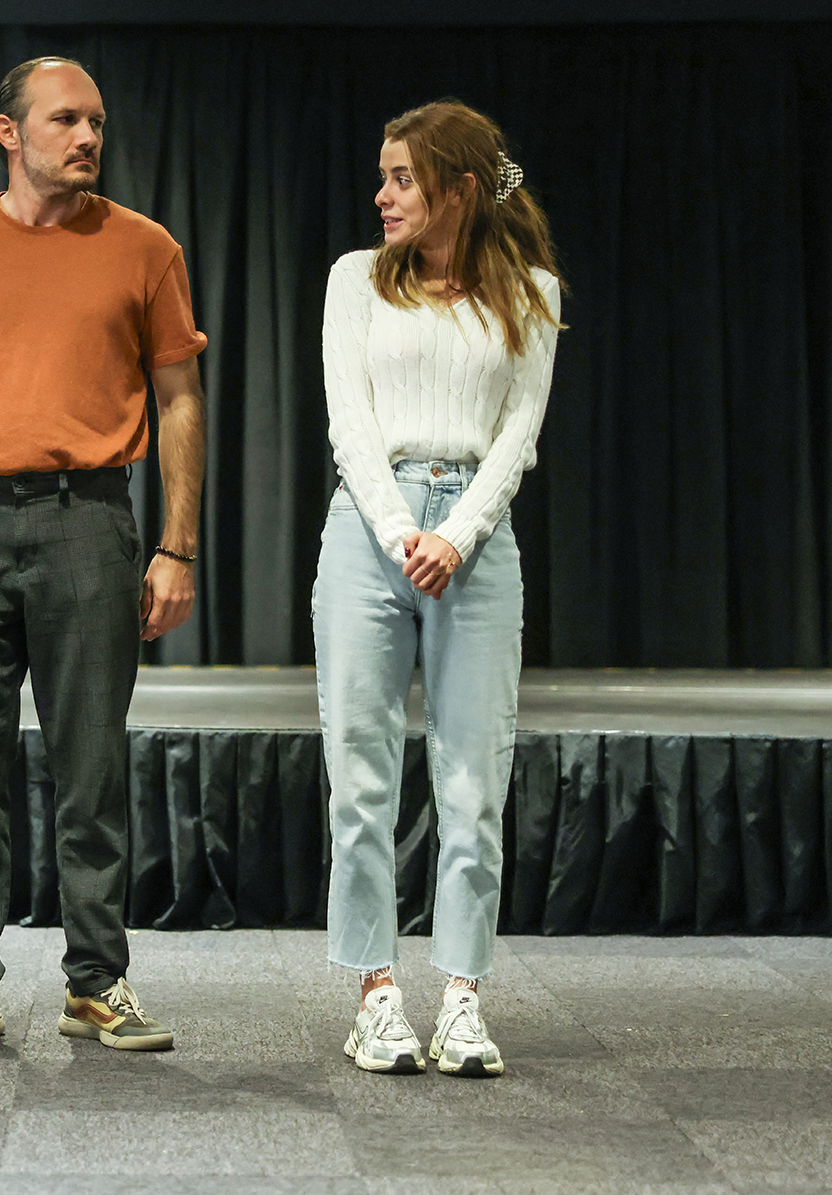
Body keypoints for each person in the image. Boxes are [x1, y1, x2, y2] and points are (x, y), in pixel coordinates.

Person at [0, 56, 206, 1054]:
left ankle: (97, 980)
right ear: (9, 132)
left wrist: (177, 546)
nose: (89, 137)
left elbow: (180, 400)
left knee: (91, 765)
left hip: (88, 521)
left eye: (97, 120)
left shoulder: (145, 247)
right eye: (66, 119)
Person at [314, 100, 562, 1078]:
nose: (382, 195)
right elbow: (349, 420)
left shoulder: (532, 291)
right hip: (369, 530)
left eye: (402, 178)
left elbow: (519, 433)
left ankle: (462, 999)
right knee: (361, 773)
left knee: (473, 780)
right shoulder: (354, 281)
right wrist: (400, 531)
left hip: (477, 541)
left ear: (458, 188)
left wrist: (455, 537)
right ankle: (376, 995)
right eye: (382, 177)